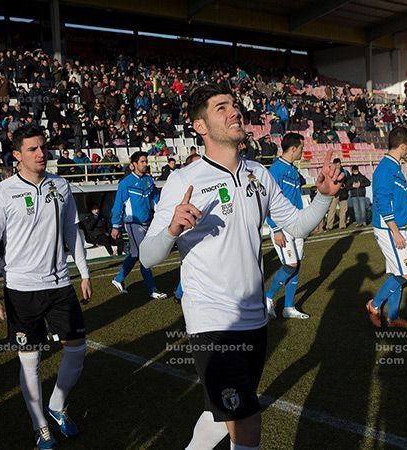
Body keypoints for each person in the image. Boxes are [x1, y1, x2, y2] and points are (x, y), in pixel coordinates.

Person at [139, 84, 341, 450]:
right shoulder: (184, 180)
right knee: (247, 421)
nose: (235, 112)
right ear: (199, 126)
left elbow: (294, 225)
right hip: (213, 321)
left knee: (221, 417)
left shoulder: (258, 174)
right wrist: (171, 228)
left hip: (255, 321)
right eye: (221, 108)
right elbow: (148, 257)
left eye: (234, 105)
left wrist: (324, 197)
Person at [0, 125, 92, 449]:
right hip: (21, 289)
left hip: (60, 283)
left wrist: (84, 272)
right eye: (32, 149)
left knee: (77, 349)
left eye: (43, 147)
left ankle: (56, 406)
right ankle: (40, 425)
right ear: (17, 155)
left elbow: (73, 232)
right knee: (30, 359)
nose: (41, 153)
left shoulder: (61, 186)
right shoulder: (2, 193)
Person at [366, 126, 407, 329]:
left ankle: (394, 317)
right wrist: (395, 231)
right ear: (403, 146)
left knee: (396, 272)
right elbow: (382, 200)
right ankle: (374, 305)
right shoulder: (385, 168)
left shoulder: (394, 166)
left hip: (397, 227)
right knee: (404, 275)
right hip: (389, 229)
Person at [110, 151, 167, 300]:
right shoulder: (125, 183)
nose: (145, 164)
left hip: (148, 223)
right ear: (133, 165)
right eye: (142, 161)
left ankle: (118, 278)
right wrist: (115, 226)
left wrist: (163, 214)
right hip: (133, 224)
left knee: (135, 254)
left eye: (146, 161)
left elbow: (156, 200)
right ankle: (152, 289)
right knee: (145, 256)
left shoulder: (148, 180)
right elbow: (118, 206)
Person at [264, 132, 309, 320]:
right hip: (282, 227)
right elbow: (266, 202)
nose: (303, 152)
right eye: (301, 148)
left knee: (296, 266)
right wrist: (276, 229)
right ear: (293, 149)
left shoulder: (292, 170)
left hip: (297, 225)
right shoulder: (275, 171)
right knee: (290, 265)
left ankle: (289, 307)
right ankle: (267, 298)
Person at [325, 158, 349, 230]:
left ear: (340, 164)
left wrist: (345, 186)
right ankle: (329, 226)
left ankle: (342, 225)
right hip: (334, 193)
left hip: (343, 193)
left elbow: (349, 181)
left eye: (339, 164)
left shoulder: (345, 172)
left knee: (343, 209)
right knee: (332, 209)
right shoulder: (331, 172)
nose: (338, 166)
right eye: (336, 164)